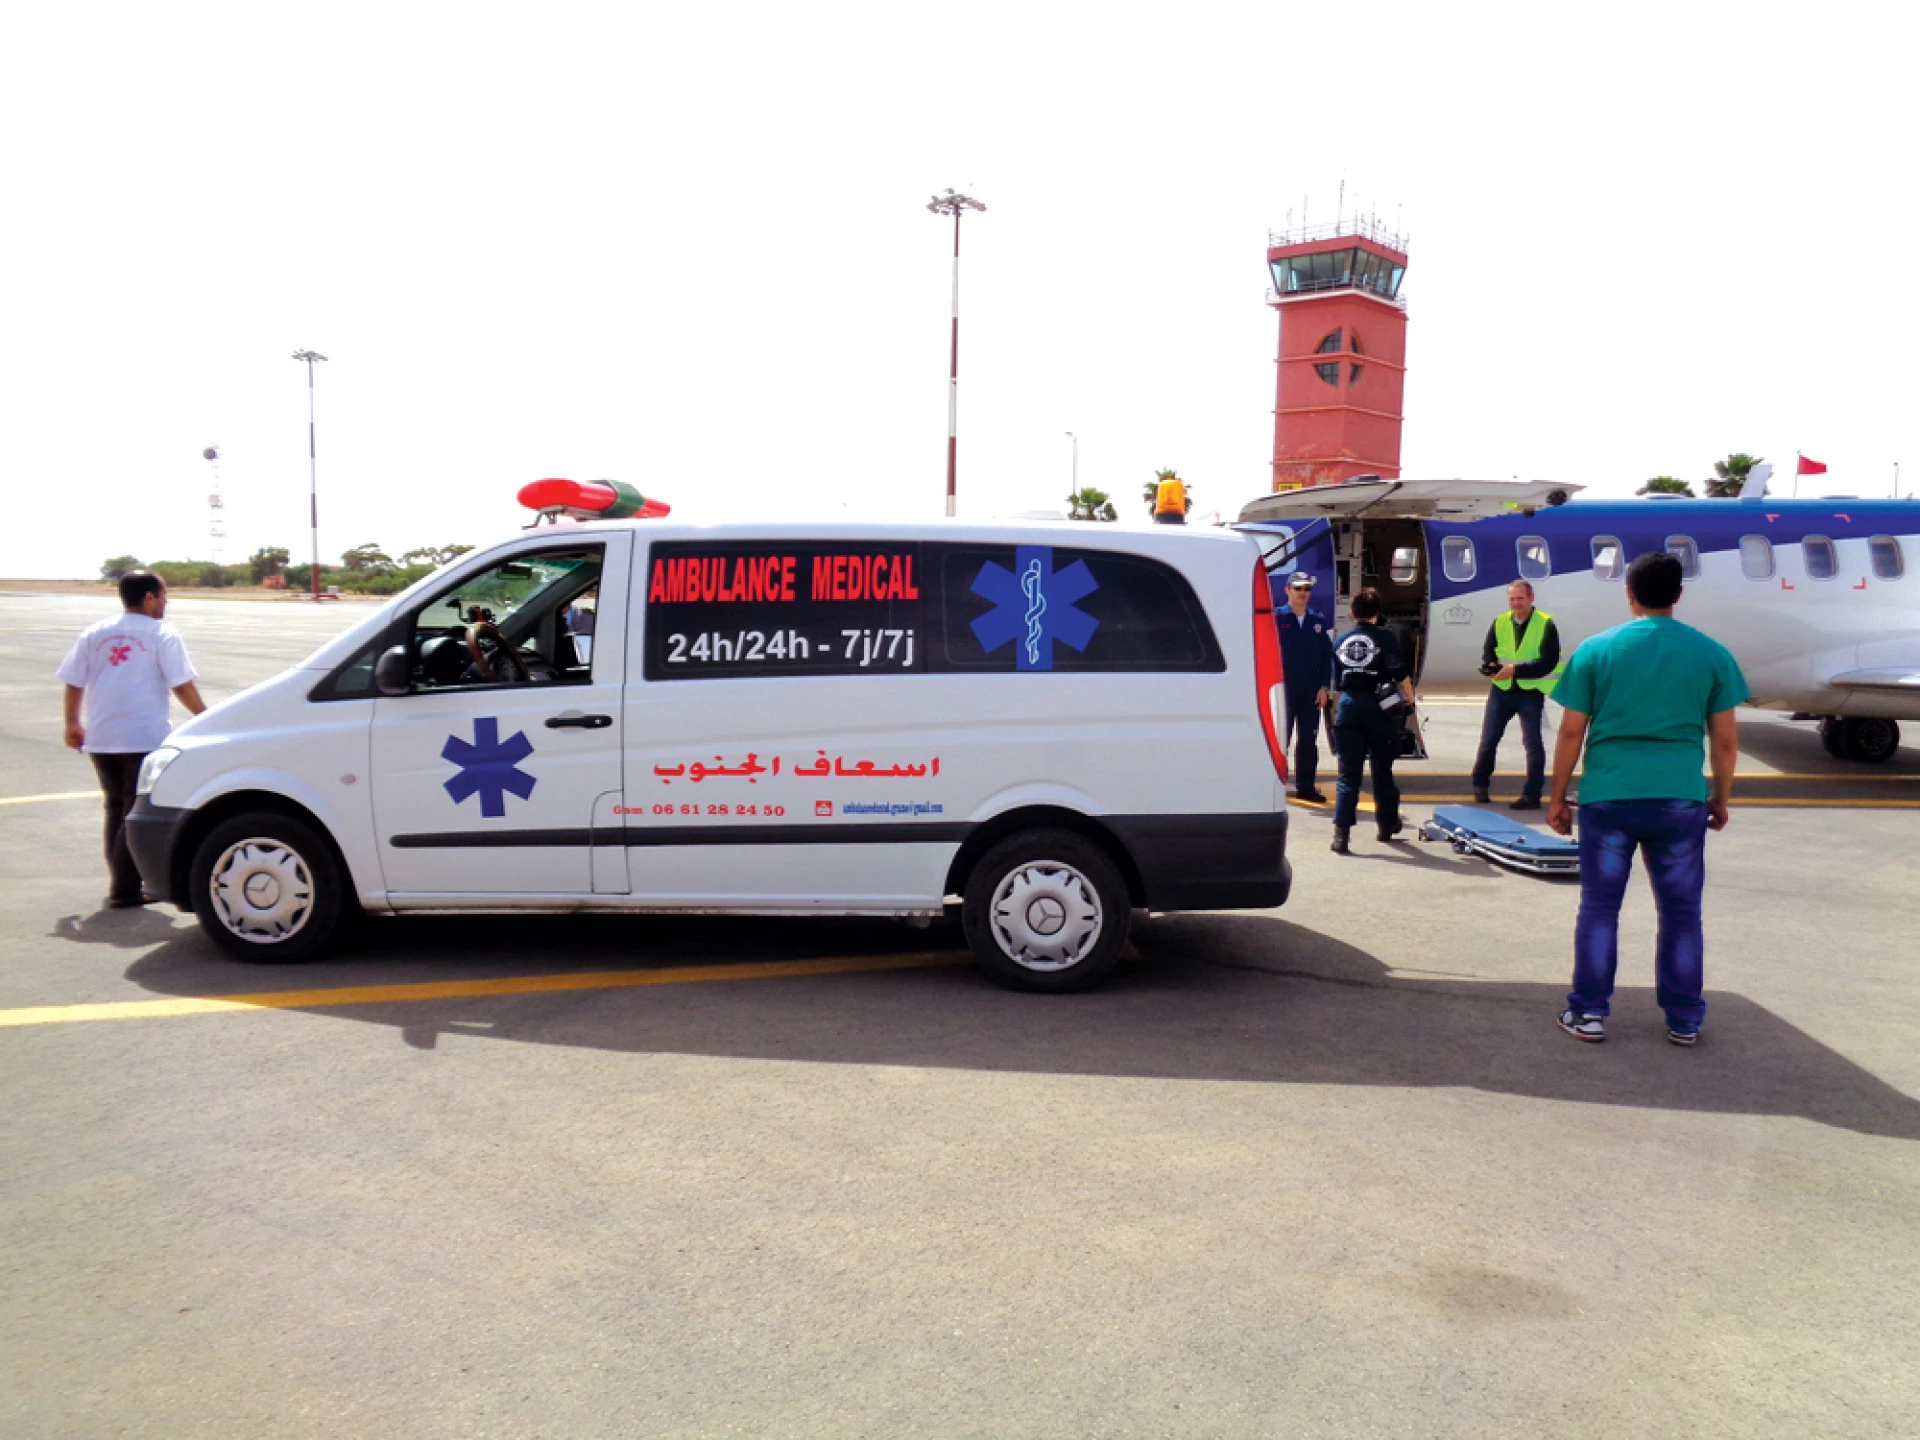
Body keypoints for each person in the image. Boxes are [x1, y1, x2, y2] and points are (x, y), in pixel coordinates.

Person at [1547, 551, 1747, 1047]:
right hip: (1679, 799)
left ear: (1629, 593)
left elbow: (1571, 733)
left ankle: (1589, 1012)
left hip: (1609, 797)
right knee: (1681, 912)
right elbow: (1724, 741)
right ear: (1678, 595)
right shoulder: (1711, 653)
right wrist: (1719, 798)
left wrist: (1557, 797)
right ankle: (1684, 1019)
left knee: (1599, 908)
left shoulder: (1597, 650)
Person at [57, 571, 206, 907]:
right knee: (132, 810)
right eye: (164, 594)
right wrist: (205, 717)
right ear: (150, 597)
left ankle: (123, 884)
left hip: (102, 735)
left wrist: (71, 722)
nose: (167, 601)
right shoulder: (162, 634)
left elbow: (74, 681)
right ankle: (125, 889)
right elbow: (181, 683)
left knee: (115, 809)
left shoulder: (95, 633)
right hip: (142, 736)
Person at [1327, 587, 1415, 854]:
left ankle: (1341, 836)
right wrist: (1410, 698)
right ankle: (1386, 825)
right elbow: (1399, 672)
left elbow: (1336, 678)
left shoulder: (1342, 640)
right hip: (1378, 709)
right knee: (1382, 771)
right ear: (1377, 613)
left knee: (1348, 775)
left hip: (1349, 707)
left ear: (1353, 613)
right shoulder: (1385, 638)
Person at [1470, 579, 1563, 810]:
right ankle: (1480, 784)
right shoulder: (1500, 621)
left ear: (1531, 599)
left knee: (1532, 743)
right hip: (1502, 690)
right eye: (1512, 599)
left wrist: (1515, 670)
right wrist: (1490, 667)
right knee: (1488, 741)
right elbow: (1488, 651)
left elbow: (1548, 661)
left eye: (1520, 598)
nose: (1516, 603)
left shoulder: (1545, 624)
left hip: (1529, 691)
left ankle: (1532, 795)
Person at [1273, 571, 1333, 803]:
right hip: (1284, 689)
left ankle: (1305, 786)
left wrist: (1324, 687)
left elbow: (1326, 656)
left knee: (1308, 740)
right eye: (1298, 588)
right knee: (1281, 740)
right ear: (1288, 590)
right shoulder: (1277, 618)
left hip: (1310, 690)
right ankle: (1276, 783)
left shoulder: (1317, 621)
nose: (1303, 593)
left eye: (1307, 589)